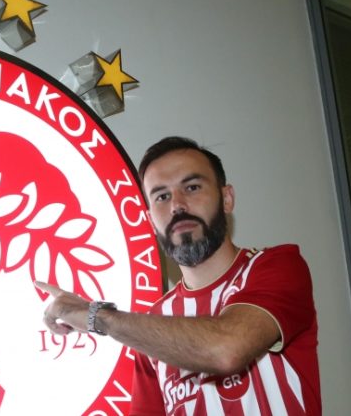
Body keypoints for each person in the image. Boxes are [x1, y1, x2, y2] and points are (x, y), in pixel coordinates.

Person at [36, 136, 321, 415]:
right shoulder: (153, 327)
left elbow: (226, 349)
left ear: (226, 199)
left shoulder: (277, 266)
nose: (177, 205)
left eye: (192, 187)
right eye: (162, 196)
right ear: (151, 221)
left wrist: (98, 316)